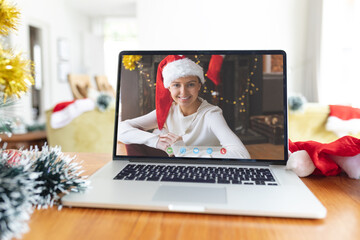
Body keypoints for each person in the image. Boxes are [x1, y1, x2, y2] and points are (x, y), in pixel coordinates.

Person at [118, 55, 250, 159]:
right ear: (168, 87)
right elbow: (121, 129)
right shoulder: (168, 111)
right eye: (176, 85)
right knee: (133, 141)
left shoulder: (211, 114)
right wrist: (156, 141)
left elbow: (242, 155)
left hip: (203, 169)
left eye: (190, 84)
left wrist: (184, 151)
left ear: (199, 85)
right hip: (175, 166)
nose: (184, 92)